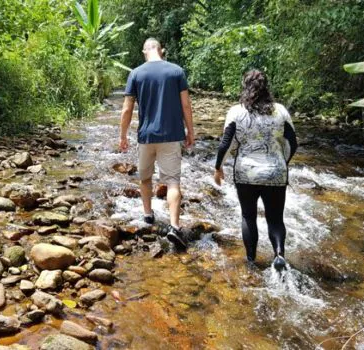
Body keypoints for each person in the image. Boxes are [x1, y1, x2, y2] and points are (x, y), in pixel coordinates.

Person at [213, 70, 298, 270]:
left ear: (245, 87)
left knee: (248, 216)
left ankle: (251, 260)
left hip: (246, 174)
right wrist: (283, 162)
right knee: (276, 219)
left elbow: (226, 143)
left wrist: (218, 168)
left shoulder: (237, 111)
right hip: (275, 173)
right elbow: (293, 143)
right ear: (266, 87)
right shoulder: (280, 111)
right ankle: (279, 255)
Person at [119, 38, 195, 249]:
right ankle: (174, 226)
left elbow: (127, 109)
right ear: (162, 51)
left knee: (145, 178)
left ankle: (148, 215)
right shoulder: (176, 71)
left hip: (146, 136)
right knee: (172, 182)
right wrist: (190, 131)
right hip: (172, 135)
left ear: (145, 51)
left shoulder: (136, 73)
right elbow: (186, 105)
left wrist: (123, 135)